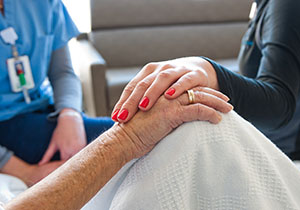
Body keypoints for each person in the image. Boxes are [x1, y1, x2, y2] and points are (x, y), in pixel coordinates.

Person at [2, 92, 300, 210]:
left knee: (187, 127)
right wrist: (126, 138)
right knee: (192, 131)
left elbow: (62, 66)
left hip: (44, 110)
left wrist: (69, 114)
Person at [110, 0, 300, 160]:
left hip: (279, 153)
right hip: (260, 139)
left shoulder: (286, 5)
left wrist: (210, 71)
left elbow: (279, 104)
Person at [0, 0, 114, 186]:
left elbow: (63, 73)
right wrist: (25, 172)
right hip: (6, 125)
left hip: (45, 109)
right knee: (133, 135)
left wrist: (70, 114)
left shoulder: (45, 3)